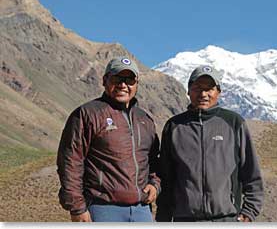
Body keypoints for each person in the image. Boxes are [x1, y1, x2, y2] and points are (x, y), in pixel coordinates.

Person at [57, 56, 160, 222]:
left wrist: (154, 184)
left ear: (137, 84)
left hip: (142, 211)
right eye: (117, 78)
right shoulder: (87, 114)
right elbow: (70, 162)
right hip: (102, 209)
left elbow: (153, 161)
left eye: (129, 80)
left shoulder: (145, 120)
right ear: (105, 80)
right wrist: (77, 207)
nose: (123, 85)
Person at [156, 65, 264, 222]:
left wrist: (249, 212)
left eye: (209, 89)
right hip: (185, 220)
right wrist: (163, 218)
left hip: (226, 219)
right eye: (197, 88)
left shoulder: (234, 123)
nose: (203, 94)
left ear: (218, 92)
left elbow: (251, 172)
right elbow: (166, 178)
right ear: (188, 91)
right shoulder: (174, 126)